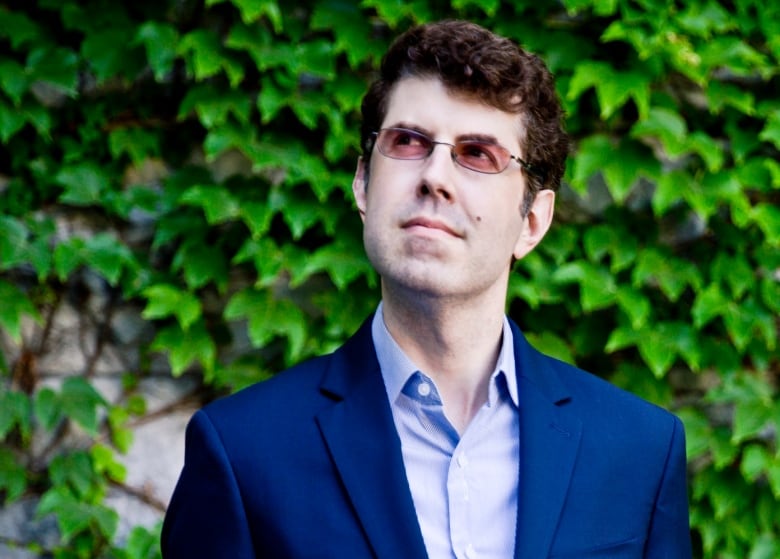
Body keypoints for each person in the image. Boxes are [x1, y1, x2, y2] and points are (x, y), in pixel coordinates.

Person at [161, 20, 692, 559]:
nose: (435, 175)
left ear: (532, 220)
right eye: (408, 142)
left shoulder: (640, 450)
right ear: (363, 182)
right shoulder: (243, 451)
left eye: (478, 154)